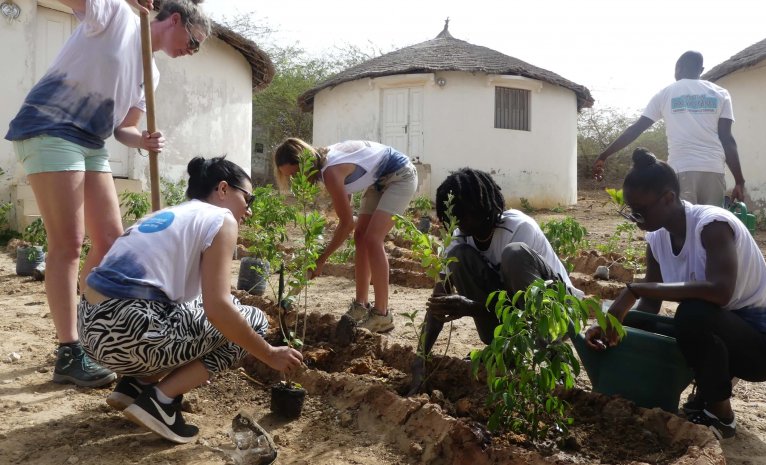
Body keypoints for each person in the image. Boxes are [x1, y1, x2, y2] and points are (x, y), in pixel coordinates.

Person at [4, 0, 210, 388]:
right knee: (68, 242)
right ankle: (69, 352)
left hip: (92, 141)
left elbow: (124, 129)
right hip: (50, 127)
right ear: (176, 20)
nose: (192, 52)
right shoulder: (115, 14)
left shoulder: (152, 73)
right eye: (194, 42)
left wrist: (143, 140)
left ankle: (85, 324)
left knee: (111, 241)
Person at [78, 156, 304, 444]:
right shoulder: (221, 218)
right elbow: (218, 309)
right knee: (252, 319)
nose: (248, 210)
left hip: (91, 333)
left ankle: (135, 385)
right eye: (248, 198)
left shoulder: (171, 215)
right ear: (223, 189)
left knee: (195, 308)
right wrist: (270, 354)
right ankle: (161, 400)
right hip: (131, 334)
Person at [585, 148, 766, 440]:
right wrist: (613, 325)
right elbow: (651, 301)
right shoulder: (657, 238)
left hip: (763, 349)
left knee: (692, 313)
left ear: (668, 198)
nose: (636, 218)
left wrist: (635, 288)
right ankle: (698, 396)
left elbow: (720, 291)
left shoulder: (712, 226)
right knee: (646, 321)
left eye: (640, 211)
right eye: (631, 212)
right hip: (727, 333)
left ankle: (721, 416)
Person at [408, 168, 583, 394]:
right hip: (508, 319)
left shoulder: (518, 229)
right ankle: (507, 352)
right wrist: (420, 359)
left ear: (482, 207)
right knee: (458, 257)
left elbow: (526, 305)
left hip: (557, 315)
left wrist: (471, 308)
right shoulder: (459, 238)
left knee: (514, 254)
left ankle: (554, 361)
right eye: (454, 216)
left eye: (464, 214)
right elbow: (438, 300)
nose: (459, 222)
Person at [274, 138, 418, 333]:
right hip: (379, 181)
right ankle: (360, 305)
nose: (295, 180)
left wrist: (322, 259)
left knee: (372, 239)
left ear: (304, 162)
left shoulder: (331, 171)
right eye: (289, 177)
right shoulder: (326, 166)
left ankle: (382, 315)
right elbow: (348, 212)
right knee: (360, 236)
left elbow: (347, 223)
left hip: (400, 175)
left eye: (295, 173)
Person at [592, 51, 746, 207]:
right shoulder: (720, 94)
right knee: (712, 224)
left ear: (678, 67)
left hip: (681, 168)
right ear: (701, 69)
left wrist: (604, 155)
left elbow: (636, 129)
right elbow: (727, 139)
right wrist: (739, 181)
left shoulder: (665, 94)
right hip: (713, 169)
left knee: (683, 225)